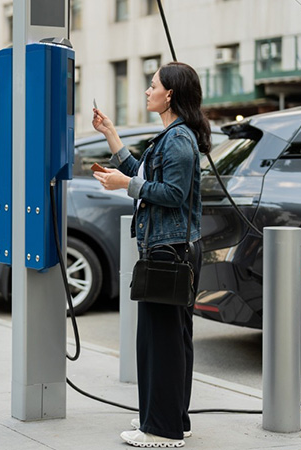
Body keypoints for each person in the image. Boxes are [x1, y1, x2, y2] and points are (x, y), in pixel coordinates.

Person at [91, 61, 211, 448]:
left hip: (169, 251)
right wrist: (111, 135)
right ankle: (175, 418)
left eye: (153, 84)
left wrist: (126, 184)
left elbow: (172, 194)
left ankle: (161, 430)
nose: (147, 89)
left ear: (170, 94)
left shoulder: (177, 138)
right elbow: (147, 176)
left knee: (161, 343)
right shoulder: (174, 135)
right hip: (172, 250)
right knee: (173, 340)